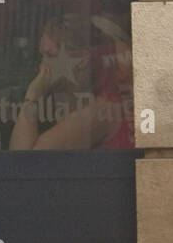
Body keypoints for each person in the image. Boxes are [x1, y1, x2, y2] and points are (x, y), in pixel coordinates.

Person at [9, 15, 104, 151]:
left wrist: (33, 94)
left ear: (82, 59)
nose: (42, 66)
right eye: (42, 56)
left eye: (51, 56)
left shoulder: (93, 113)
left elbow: (22, 161)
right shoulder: (51, 107)